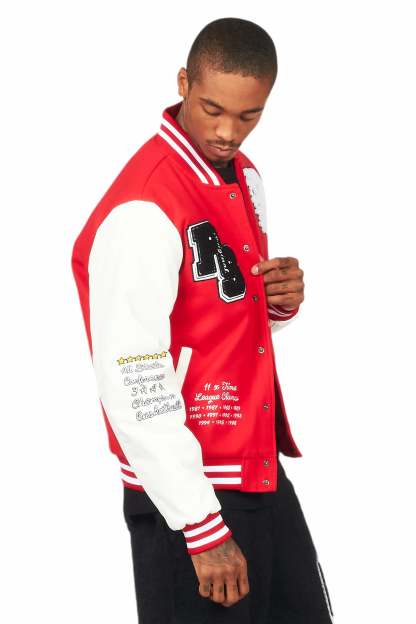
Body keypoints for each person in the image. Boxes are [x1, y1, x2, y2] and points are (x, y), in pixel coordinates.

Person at [71, 16, 334, 624]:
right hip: (188, 490)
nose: (226, 132)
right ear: (184, 83)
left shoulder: (243, 177)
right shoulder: (143, 207)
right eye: (213, 109)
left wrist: (275, 302)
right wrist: (200, 525)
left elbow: (213, 320)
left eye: (248, 115)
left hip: (255, 464)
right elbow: (132, 375)